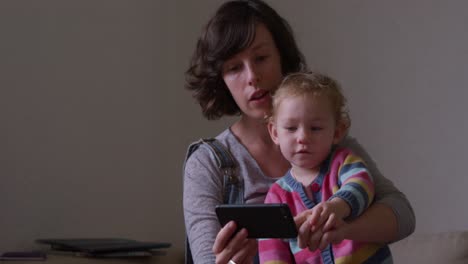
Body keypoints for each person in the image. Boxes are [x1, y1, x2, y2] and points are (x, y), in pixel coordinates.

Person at [183, 1, 415, 263]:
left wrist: (344, 229)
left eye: (261, 58)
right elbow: (206, 259)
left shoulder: (330, 144)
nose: (252, 77)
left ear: (282, 56)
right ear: (221, 80)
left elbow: (403, 215)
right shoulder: (208, 163)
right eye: (234, 68)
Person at [259, 72, 391, 263]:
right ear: (274, 132)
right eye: (291, 128)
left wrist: (337, 206)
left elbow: (361, 186)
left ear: (337, 132)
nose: (302, 137)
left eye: (315, 128)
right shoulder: (276, 197)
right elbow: (271, 250)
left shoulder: (344, 162)